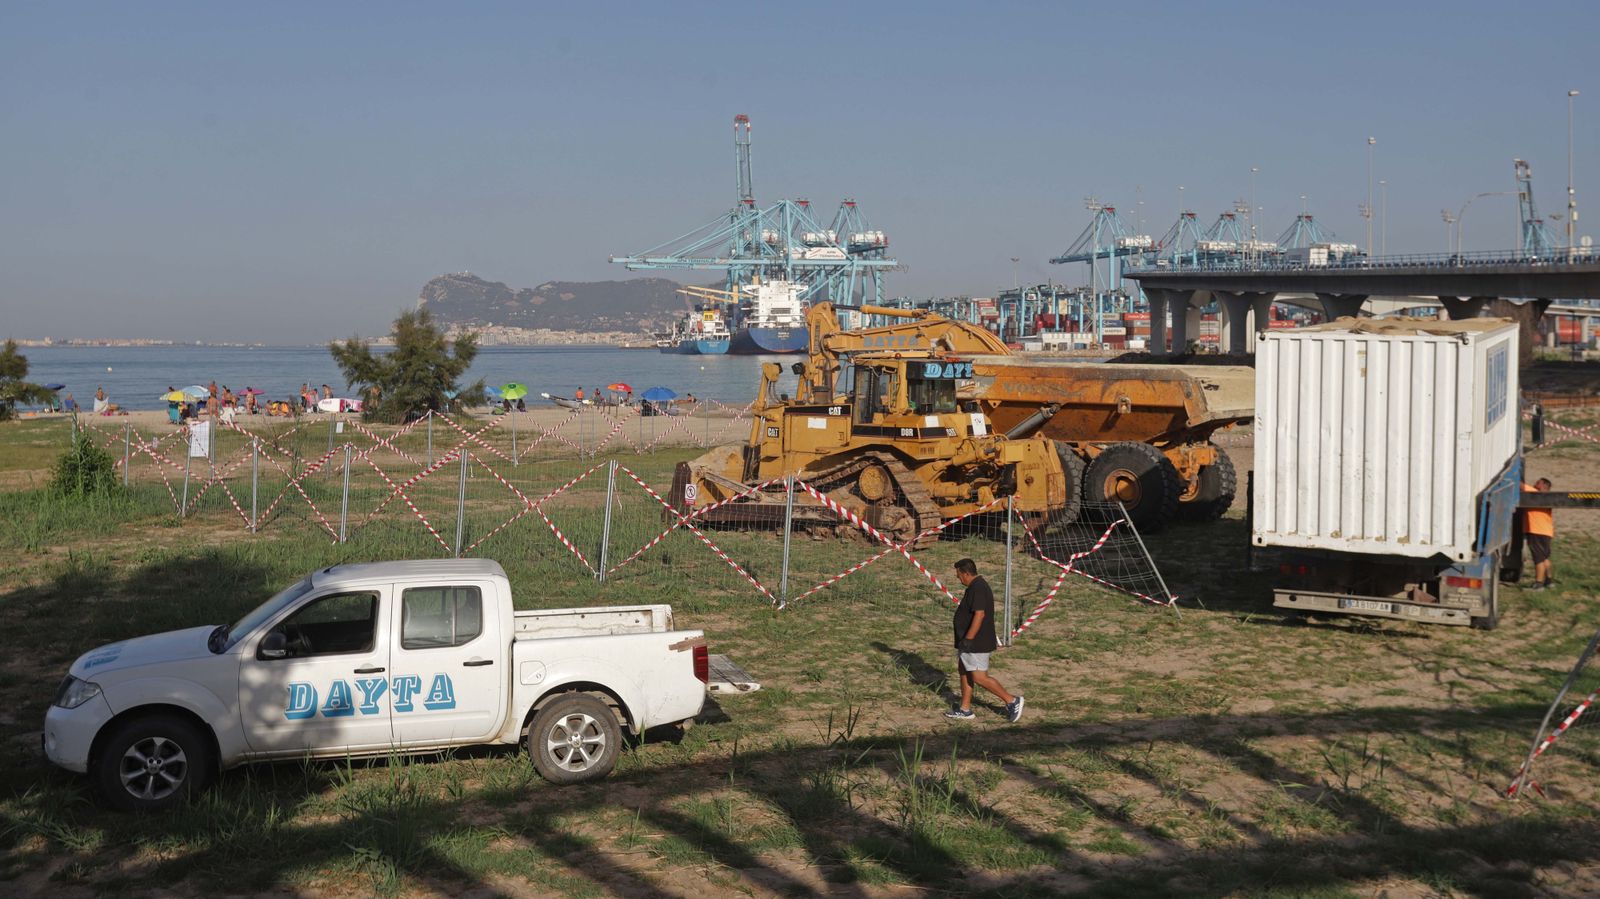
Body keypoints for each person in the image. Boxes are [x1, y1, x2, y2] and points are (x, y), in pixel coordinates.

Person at [946, 558, 1024, 722]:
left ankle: (1012, 700)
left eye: (959, 575)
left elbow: (979, 614)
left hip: (975, 642)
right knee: (964, 671)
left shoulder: (978, 588)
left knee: (979, 677)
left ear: (966, 573)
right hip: (968, 641)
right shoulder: (975, 586)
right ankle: (965, 709)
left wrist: (968, 639)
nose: (958, 578)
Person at [1522, 478, 1555, 590]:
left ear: (1543, 485)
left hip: (1537, 531)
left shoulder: (1536, 494)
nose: (1535, 483)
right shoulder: (1548, 499)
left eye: (1538, 482)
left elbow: (1520, 485)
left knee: (1538, 559)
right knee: (1545, 558)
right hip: (1546, 531)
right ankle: (1549, 581)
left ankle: (1539, 585)